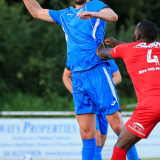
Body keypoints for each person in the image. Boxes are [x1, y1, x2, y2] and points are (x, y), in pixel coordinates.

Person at [23, 0, 139, 160]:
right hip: (77, 77)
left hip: (97, 72)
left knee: (118, 126)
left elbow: (113, 16)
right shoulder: (64, 14)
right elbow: (36, 11)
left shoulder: (95, 5)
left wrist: (93, 14)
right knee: (86, 133)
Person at [97, 20, 160, 160]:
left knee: (121, 146)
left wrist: (97, 44)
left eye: (135, 30)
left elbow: (103, 54)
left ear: (138, 35)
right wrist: (118, 43)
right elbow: (140, 48)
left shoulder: (128, 49)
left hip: (151, 104)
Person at [62, 59, 122, 159]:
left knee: (102, 140)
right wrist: (75, 92)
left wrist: (101, 87)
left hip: (103, 101)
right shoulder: (75, 55)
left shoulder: (105, 56)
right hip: (88, 103)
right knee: (96, 138)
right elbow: (66, 76)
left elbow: (118, 76)